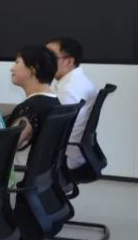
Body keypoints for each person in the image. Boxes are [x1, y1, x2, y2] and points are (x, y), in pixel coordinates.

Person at [46, 36, 98, 169]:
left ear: (69, 61)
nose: (45, 62)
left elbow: (52, 131)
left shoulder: (68, 89)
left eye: (51, 57)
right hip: (74, 151)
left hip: (64, 155)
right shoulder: (78, 80)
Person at [6, 45, 60, 151]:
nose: (12, 68)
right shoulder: (55, 102)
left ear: (33, 69)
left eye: (17, 62)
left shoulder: (30, 108)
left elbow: (5, 149)